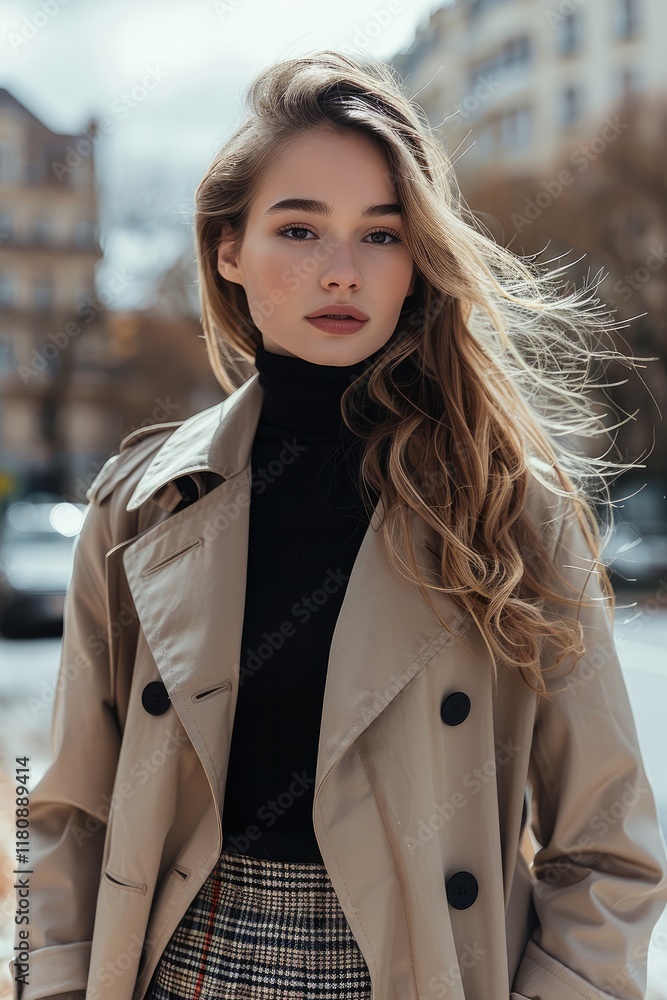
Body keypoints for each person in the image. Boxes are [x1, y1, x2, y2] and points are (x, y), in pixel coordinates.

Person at [9, 49, 667, 1000]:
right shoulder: (140, 502)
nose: (341, 272)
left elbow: (607, 842)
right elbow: (56, 803)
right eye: (300, 229)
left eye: (383, 235)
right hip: (179, 968)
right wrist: (44, 978)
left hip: (423, 970)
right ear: (229, 250)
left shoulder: (507, 506)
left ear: (419, 263)